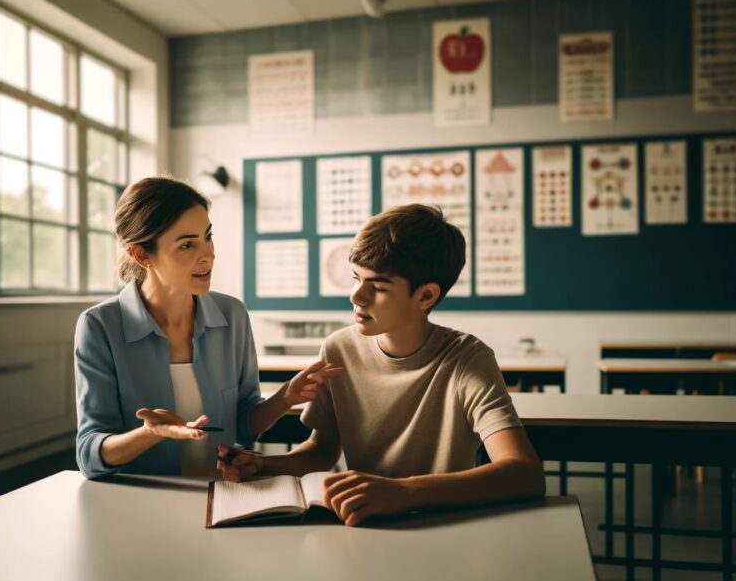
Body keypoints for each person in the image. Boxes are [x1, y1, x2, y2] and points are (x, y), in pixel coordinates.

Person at [218, 204, 545, 526]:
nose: (357, 297)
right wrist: (264, 466)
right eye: (356, 279)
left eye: (377, 287)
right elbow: (322, 450)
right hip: (363, 525)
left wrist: (405, 492)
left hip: (444, 527)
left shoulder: (467, 359)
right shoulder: (339, 348)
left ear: (426, 297)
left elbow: (524, 473)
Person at [75, 176, 341, 479]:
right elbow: (90, 455)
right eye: (187, 244)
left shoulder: (232, 315)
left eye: (208, 236)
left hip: (223, 494)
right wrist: (151, 433)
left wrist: (285, 399)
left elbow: (242, 426)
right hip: (143, 501)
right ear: (141, 255)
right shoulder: (99, 326)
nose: (208, 254)